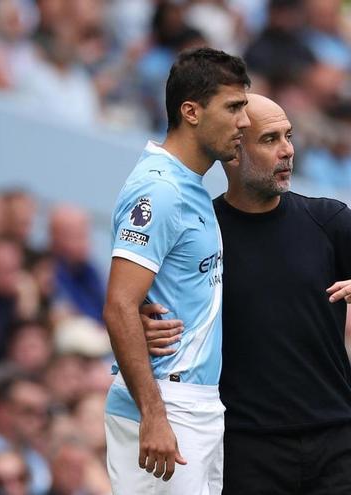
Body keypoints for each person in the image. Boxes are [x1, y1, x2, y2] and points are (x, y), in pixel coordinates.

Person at [142, 93, 351, 494]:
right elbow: (141, 305)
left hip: (333, 443)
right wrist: (146, 320)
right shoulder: (200, 230)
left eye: (289, 136)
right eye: (270, 140)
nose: (287, 151)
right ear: (234, 151)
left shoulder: (329, 220)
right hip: (243, 448)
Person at [101, 47, 250, 493]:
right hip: (166, 401)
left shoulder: (191, 186)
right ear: (191, 112)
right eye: (233, 107)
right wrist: (154, 415)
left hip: (197, 403)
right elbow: (119, 304)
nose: (244, 121)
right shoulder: (160, 190)